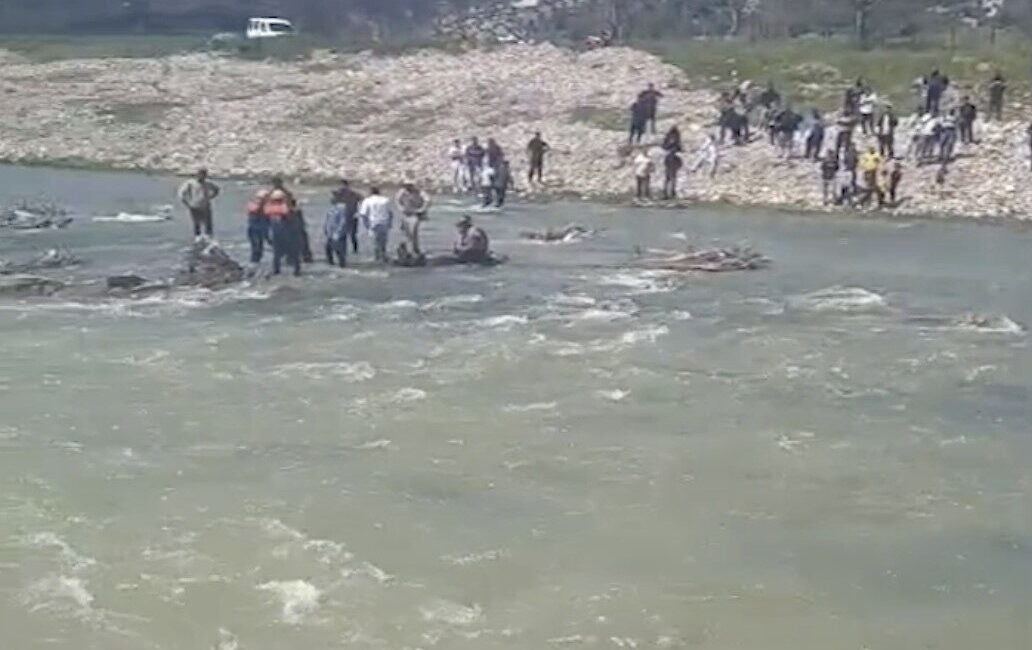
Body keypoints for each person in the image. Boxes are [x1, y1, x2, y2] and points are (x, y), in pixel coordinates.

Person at [270, 175, 312, 264]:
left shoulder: (275, 194)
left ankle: (288, 260)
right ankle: (300, 258)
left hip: (285, 220)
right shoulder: (284, 193)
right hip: (288, 220)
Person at [264, 189, 300, 276]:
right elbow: (293, 222)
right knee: (293, 253)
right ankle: (296, 271)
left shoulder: (269, 209)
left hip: (275, 235)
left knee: (276, 254)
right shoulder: (286, 209)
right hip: (287, 234)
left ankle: (276, 271)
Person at [178, 168, 220, 239]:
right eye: (201, 175)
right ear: (197, 175)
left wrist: (211, 196)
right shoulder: (190, 183)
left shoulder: (208, 183)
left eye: (205, 175)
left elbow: (216, 189)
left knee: (208, 224)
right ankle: (197, 238)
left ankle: (209, 238)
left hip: (205, 206)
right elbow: (181, 194)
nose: (203, 177)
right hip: (194, 206)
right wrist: (187, 203)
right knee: (196, 224)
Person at [358, 186, 395, 263]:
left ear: (370, 192)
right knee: (384, 241)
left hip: (373, 222)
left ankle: (377, 257)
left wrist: (366, 225)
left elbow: (363, 214)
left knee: (375, 241)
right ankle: (384, 256)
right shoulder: (386, 200)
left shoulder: (367, 200)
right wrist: (390, 223)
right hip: (384, 222)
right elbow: (390, 213)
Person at [395, 180, 430, 257]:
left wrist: (422, 209)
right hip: (406, 214)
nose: (407, 187)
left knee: (413, 233)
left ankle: (415, 249)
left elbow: (427, 200)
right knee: (406, 233)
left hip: (415, 214)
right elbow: (397, 201)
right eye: (406, 186)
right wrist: (401, 208)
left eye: (409, 185)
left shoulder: (419, 192)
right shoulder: (402, 192)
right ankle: (406, 249)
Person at [331, 179, 363, 254]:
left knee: (345, 234)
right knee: (351, 235)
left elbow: (333, 203)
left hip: (347, 217)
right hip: (351, 216)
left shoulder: (339, 194)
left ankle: (345, 250)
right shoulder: (353, 193)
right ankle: (353, 250)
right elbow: (362, 199)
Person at [245, 189, 270, 265]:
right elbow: (253, 210)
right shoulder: (253, 205)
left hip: (264, 229)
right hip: (254, 229)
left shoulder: (268, 206)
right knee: (256, 248)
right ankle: (254, 262)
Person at [322, 200, 349, 267]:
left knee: (340, 250)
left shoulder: (342, 208)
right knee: (328, 248)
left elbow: (343, 221)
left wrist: (339, 232)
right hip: (330, 232)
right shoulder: (332, 209)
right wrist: (325, 228)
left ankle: (342, 264)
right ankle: (331, 262)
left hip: (338, 233)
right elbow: (327, 219)